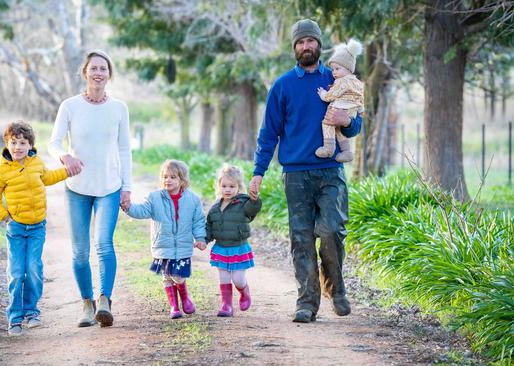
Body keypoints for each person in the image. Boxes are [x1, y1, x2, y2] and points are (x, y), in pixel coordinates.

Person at [249, 19, 363, 323]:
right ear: (294, 48)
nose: (305, 46)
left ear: (319, 44)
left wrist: (346, 121)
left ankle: (336, 290)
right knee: (301, 238)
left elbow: (356, 122)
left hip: (330, 171)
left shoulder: (338, 77)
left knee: (331, 231)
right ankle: (306, 302)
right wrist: (258, 172)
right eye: (300, 42)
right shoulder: (283, 85)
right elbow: (268, 133)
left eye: (310, 41)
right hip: (296, 174)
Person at [48, 49, 132, 328]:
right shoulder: (70, 105)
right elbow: (54, 142)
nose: (98, 73)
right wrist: (65, 157)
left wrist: (127, 187)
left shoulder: (119, 108)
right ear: (85, 72)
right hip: (77, 188)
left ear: (109, 75)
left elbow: (124, 150)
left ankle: (105, 300)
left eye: (103, 69)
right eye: (94, 68)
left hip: (109, 186)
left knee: (104, 245)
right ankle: (87, 304)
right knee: (80, 251)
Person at [0, 121, 70, 336]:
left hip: (37, 228)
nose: (17, 147)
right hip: (15, 228)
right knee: (16, 273)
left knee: (33, 269)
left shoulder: (36, 163)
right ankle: (14, 318)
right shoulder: (0, 172)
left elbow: (49, 177)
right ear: (6, 144)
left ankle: (32, 312)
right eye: (13, 142)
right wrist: (3, 215)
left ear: (30, 145)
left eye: (22, 143)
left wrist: (67, 171)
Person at [122, 160, 206, 319]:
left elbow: (198, 221)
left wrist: (200, 238)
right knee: (167, 276)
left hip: (182, 246)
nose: (168, 180)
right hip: (162, 245)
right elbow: (142, 211)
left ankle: (185, 297)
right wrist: (129, 208)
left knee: (178, 275)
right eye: (165, 176)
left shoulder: (193, 199)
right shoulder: (154, 198)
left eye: (173, 177)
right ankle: (174, 306)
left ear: (182, 180)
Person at [202, 165, 262, 317]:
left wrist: (254, 199)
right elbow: (209, 226)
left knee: (238, 279)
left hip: (238, 248)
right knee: (223, 277)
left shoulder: (243, 203)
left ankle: (244, 291)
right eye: (224, 186)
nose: (227, 189)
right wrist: (204, 240)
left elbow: (252, 210)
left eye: (232, 186)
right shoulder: (215, 207)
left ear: (238, 187)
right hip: (221, 248)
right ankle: (226, 305)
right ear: (219, 186)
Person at [315, 39, 364, 162]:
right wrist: (361, 110)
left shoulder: (341, 81)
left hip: (340, 108)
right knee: (338, 129)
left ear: (348, 68)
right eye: (333, 69)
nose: (334, 73)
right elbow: (360, 98)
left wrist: (323, 94)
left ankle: (328, 149)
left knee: (327, 124)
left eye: (337, 69)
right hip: (352, 109)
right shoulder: (357, 82)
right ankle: (347, 152)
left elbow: (331, 96)